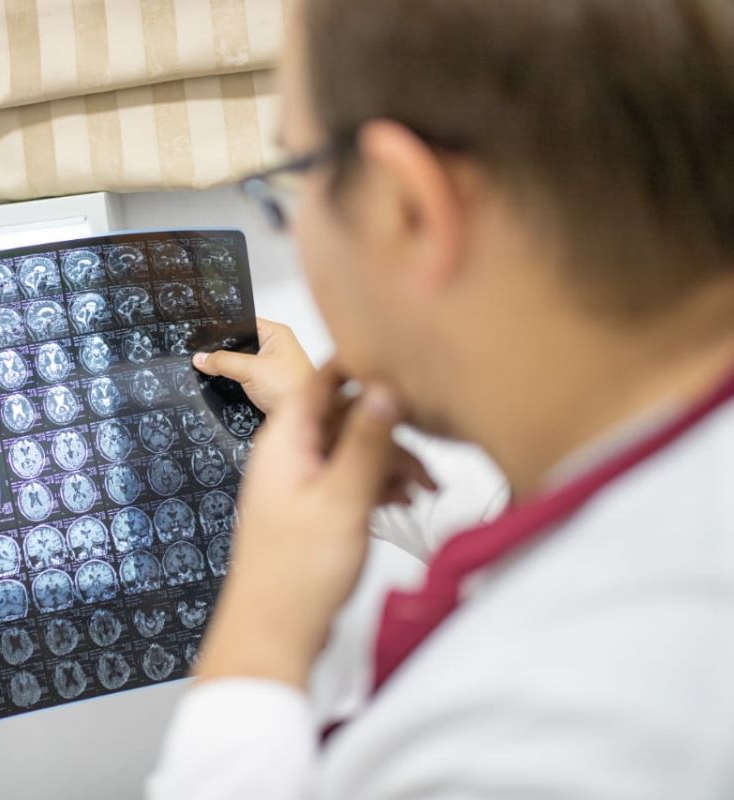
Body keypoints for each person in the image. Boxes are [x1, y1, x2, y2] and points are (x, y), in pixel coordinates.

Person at [147, 0, 734, 797]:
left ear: (409, 208)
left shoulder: (524, 744)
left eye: (294, 179)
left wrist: (260, 635)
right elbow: (529, 514)